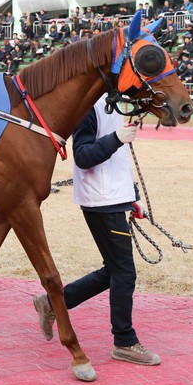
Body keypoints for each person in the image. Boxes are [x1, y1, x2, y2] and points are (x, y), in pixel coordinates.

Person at [32, 97, 159, 366]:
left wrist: (131, 197)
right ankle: (124, 341)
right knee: (124, 272)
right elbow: (83, 156)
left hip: (113, 197)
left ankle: (53, 303)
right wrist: (117, 138)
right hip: (101, 200)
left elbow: (118, 161)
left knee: (115, 270)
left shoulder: (111, 102)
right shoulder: (88, 106)